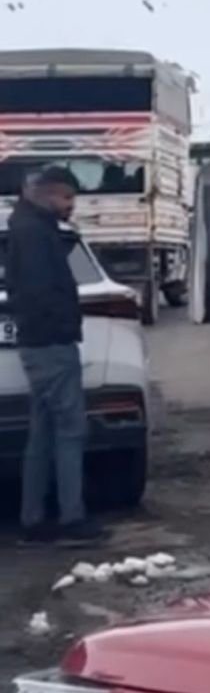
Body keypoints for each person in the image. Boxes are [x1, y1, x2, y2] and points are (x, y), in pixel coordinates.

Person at [6, 165, 108, 547]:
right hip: (51, 343)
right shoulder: (35, 234)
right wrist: (63, 325)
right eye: (66, 198)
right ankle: (71, 517)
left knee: (44, 433)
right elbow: (40, 291)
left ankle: (34, 519)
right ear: (47, 194)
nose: (70, 207)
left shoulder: (27, 227)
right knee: (69, 430)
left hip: (39, 341)